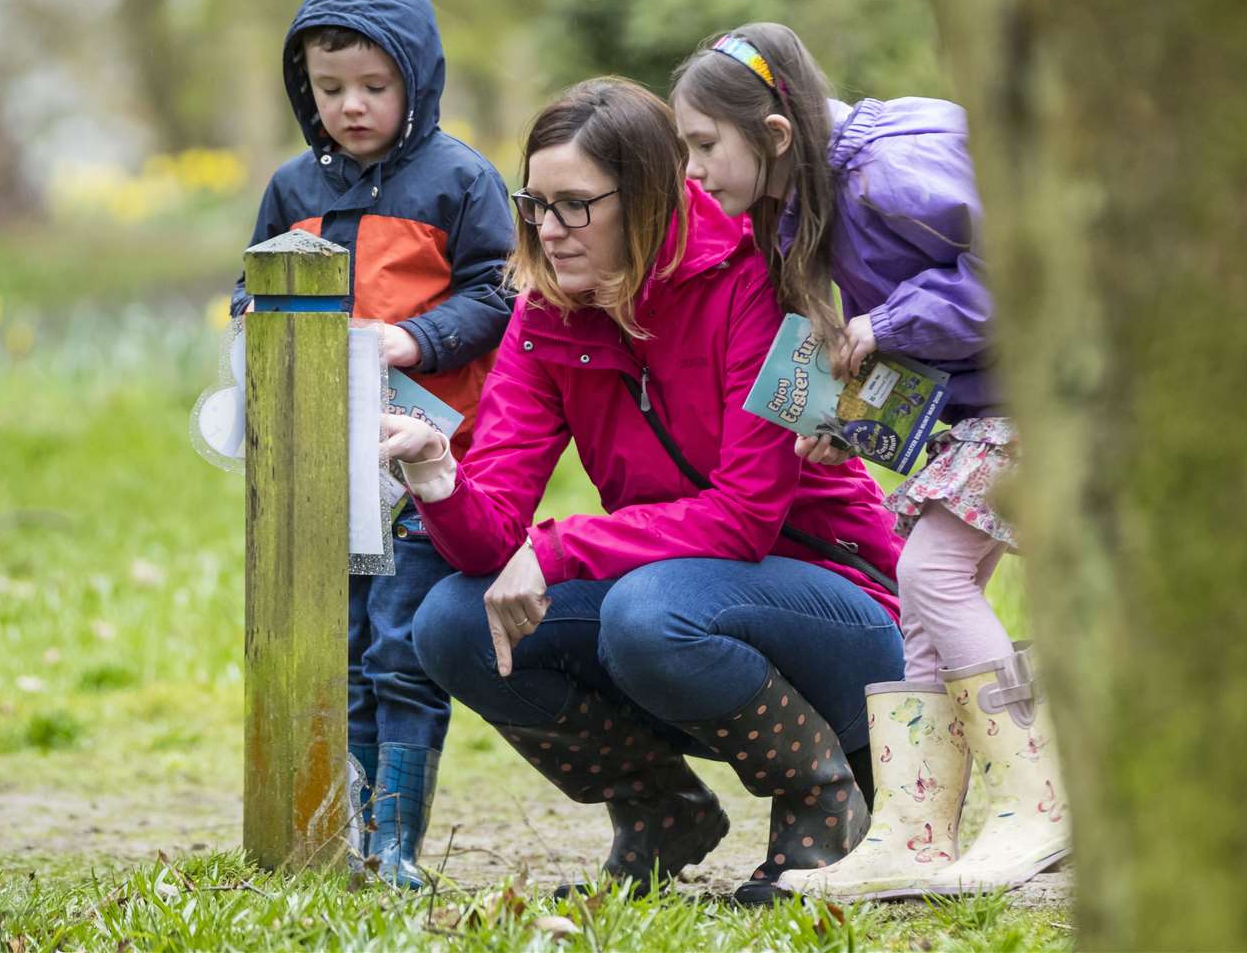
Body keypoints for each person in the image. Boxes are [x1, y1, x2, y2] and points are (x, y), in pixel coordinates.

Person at [381, 77, 905, 904]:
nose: (547, 231)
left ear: (650, 196)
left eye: (574, 205)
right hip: (682, 608)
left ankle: (823, 798)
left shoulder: (756, 280)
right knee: (451, 623)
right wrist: (438, 476)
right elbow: (491, 539)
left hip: (849, 619)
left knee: (649, 610)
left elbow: (743, 519)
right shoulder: (547, 314)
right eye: (535, 205)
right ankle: (660, 809)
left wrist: (553, 549)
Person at [671, 24, 1068, 899]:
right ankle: (912, 832)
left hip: (1051, 387)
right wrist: (847, 418)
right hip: (980, 410)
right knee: (923, 612)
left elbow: (1024, 265)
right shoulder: (803, 207)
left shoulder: (889, 171)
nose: (692, 172)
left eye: (704, 146)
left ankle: (1041, 796)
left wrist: (890, 326)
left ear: (774, 134)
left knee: (933, 571)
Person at [229, 0, 515, 887]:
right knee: (338, 650)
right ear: (304, 89)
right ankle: (338, 835)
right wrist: (248, 322)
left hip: (419, 461)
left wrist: (412, 339)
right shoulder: (289, 185)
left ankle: (396, 845)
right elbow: (255, 283)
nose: (352, 106)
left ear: (417, 79)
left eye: (374, 87)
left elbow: (498, 302)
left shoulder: (461, 181)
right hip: (323, 465)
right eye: (330, 88)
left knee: (401, 650)